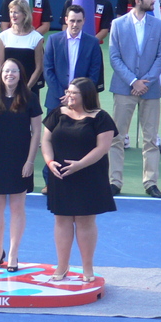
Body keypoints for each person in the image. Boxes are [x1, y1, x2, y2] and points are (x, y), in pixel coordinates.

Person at [41, 77, 117, 282]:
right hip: (61, 176)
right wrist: (49, 162)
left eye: (74, 93)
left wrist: (79, 165)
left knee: (85, 221)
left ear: (86, 96)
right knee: (62, 219)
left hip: (89, 176)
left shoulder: (101, 118)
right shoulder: (57, 113)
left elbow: (102, 148)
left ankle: (87, 269)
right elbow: (46, 140)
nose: (69, 95)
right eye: (68, 91)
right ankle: (62, 266)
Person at [0, 59, 42, 273]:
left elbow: (36, 134)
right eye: (6, 71)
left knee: (17, 208)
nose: (10, 75)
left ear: (20, 74)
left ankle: (14, 253)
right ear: (1, 73)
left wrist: (30, 161)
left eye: (14, 71)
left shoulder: (30, 99)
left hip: (20, 161)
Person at [108, 0, 161, 197]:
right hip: (124, 89)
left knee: (150, 139)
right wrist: (133, 81)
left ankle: (150, 183)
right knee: (117, 137)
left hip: (150, 91)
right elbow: (114, 57)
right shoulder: (117, 24)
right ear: (137, 1)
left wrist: (146, 82)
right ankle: (115, 181)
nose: (154, 0)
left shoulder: (159, 26)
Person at [44, 4, 103, 112]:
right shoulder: (53, 40)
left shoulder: (93, 43)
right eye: (72, 20)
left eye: (79, 21)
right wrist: (63, 95)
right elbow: (48, 70)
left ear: (84, 21)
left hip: (82, 101)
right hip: (57, 100)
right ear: (66, 20)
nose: (75, 24)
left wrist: (77, 95)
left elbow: (94, 72)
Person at [0, 0, 44, 95]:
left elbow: (39, 67)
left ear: (24, 14)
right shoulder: (4, 36)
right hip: (8, 88)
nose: (13, 15)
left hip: (29, 90)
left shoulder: (36, 37)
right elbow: (0, 65)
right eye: (11, 12)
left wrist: (27, 88)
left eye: (16, 12)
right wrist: (6, 85)